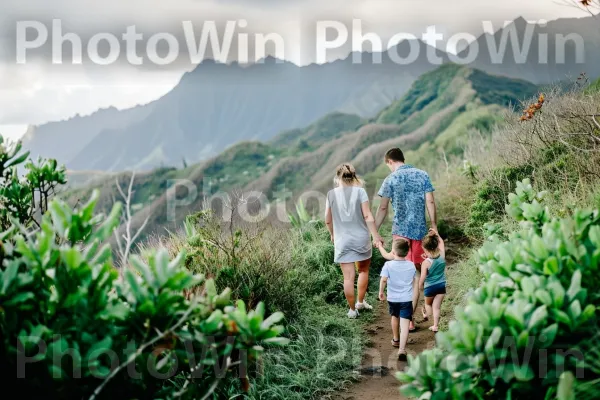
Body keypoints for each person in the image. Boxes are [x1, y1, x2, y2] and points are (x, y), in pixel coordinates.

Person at [375, 148, 437, 331]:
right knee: (416, 276)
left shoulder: (390, 179)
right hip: (419, 232)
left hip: (399, 232)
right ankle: (409, 319)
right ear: (403, 159)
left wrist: (375, 233)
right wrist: (434, 225)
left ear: (390, 162)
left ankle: (399, 316)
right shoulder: (422, 175)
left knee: (398, 273)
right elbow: (430, 202)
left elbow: (383, 209)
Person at [325, 164, 384, 319]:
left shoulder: (331, 194)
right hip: (361, 239)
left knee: (348, 278)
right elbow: (367, 216)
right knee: (363, 271)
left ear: (337, 178)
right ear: (353, 176)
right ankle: (360, 301)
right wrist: (376, 236)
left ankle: (352, 311)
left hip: (342, 240)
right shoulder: (360, 192)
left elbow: (327, 220)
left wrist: (332, 234)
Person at [377, 238, 417, 361]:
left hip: (393, 298)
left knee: (394, 317)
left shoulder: (388, 265)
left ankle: (396, 339)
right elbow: (414, 281)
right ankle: (402, 349)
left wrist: (381, 292)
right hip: (406, 299)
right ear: (407, 252)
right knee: (405, 324)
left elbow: (383, 279)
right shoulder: (411, 265)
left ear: (393, 252)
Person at [419, 230, 446, 333]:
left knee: (428, 305)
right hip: (441, 285)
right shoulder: (442, 256)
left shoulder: (426, 263)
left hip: (429, 287)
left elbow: (422, 277)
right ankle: (435, 326)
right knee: (437, 307)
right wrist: (437, 234)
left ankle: (426, 315)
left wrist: (420, 286)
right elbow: (441, 243)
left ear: (425, 248)